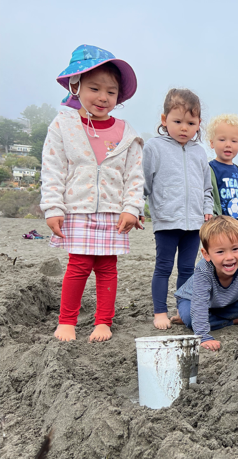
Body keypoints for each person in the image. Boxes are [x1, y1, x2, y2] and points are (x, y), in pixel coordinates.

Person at [40, 44, 144, 343]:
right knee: (78, 266)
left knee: (108, 268)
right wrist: (53, 208)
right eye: (94, 88)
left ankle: (103, 322)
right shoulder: (64, 125)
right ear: (76, 86)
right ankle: (67, 321)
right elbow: (53, 169)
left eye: (111, 91)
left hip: (113, 211)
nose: (103, 97)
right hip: (77, 209)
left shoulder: (126, 132)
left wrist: (132, 208)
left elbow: (134, 176)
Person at [143, 89, 214, 330]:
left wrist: (206, 208)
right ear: (164, 120)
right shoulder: (154, 148)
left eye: (191, 123)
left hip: (194, 223)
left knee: (187, 269)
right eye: (177, 121)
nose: (184, 128)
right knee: (163, 267)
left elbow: (206, 188)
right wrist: (136, 208)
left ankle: (182, 311)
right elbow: (144, 183)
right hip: (166, 220)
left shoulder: (200, 152)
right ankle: (160, 312)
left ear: (198, 124)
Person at [173, 216, 238, 351]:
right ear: (206, 254)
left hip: (225, 303)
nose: (229, 257)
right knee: (190, 317)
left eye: (235, 249)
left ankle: (216, 319)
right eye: (220, 252)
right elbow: (199, 304)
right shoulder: (204, 269)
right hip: (192, 300)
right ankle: (230, 321)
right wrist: (204, 337)